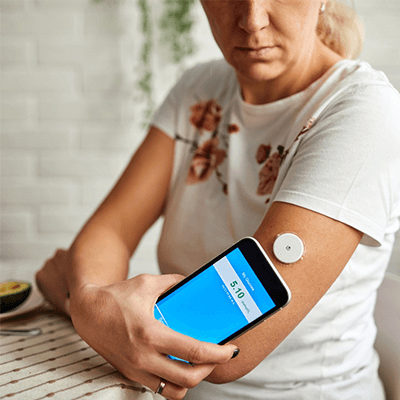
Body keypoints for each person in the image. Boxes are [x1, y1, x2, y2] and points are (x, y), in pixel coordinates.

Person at [36, 1, 400, 399]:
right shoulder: (199, 88)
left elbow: (225, 346)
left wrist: (81, 295)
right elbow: (112, 230)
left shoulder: (363, 112)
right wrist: (91, 302)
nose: (251, 20)